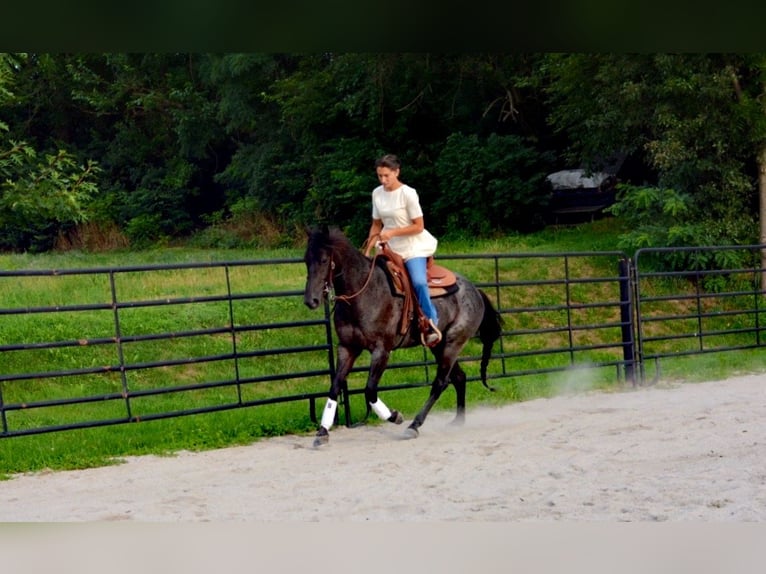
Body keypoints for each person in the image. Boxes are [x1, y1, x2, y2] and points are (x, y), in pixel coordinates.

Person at [366, 154, 442, 346]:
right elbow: (376, 225)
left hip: (412, 245)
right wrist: (367, 250)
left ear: (396, 172)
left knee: (418, 282)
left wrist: (392, 233)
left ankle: (431, 321)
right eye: (380, 176)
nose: (383, 180)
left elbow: (418, 225)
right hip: (387, 246)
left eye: (386, 176)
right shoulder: (377, 193)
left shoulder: (408, 193)